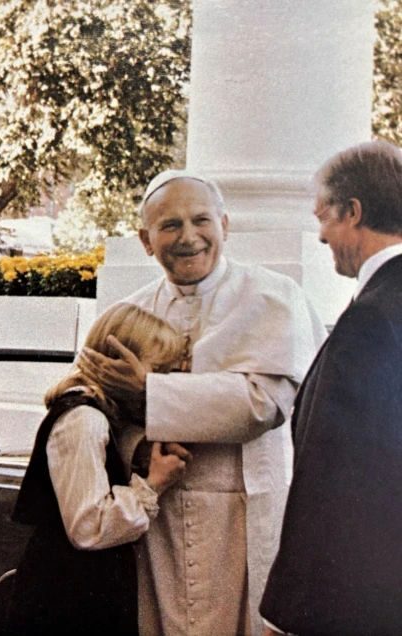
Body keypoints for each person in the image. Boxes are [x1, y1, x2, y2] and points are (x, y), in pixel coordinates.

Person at [79, 169, 326, 636]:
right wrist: (137, 449)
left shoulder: (274, 297)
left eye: (201, 220)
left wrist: (151, 393)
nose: (188, 237)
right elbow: (100, 406)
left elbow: (262, 405)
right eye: (169, 225)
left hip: (241, 515)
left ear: (225, 226)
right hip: (160, 514)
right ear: (146, 240)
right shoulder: (127, 312)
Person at [260, 140, 402, 636]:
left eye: (323, 217)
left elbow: (336, 477)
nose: (319, 236)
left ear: (354, 212)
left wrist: (293, 609)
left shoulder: (369, 318)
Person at [6, 302, 192, 636]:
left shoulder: (100, 415)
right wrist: (153, 485)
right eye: (159, 371)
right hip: (69, 599)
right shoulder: (84, 419)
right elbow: (89, 525)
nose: (161, 385)